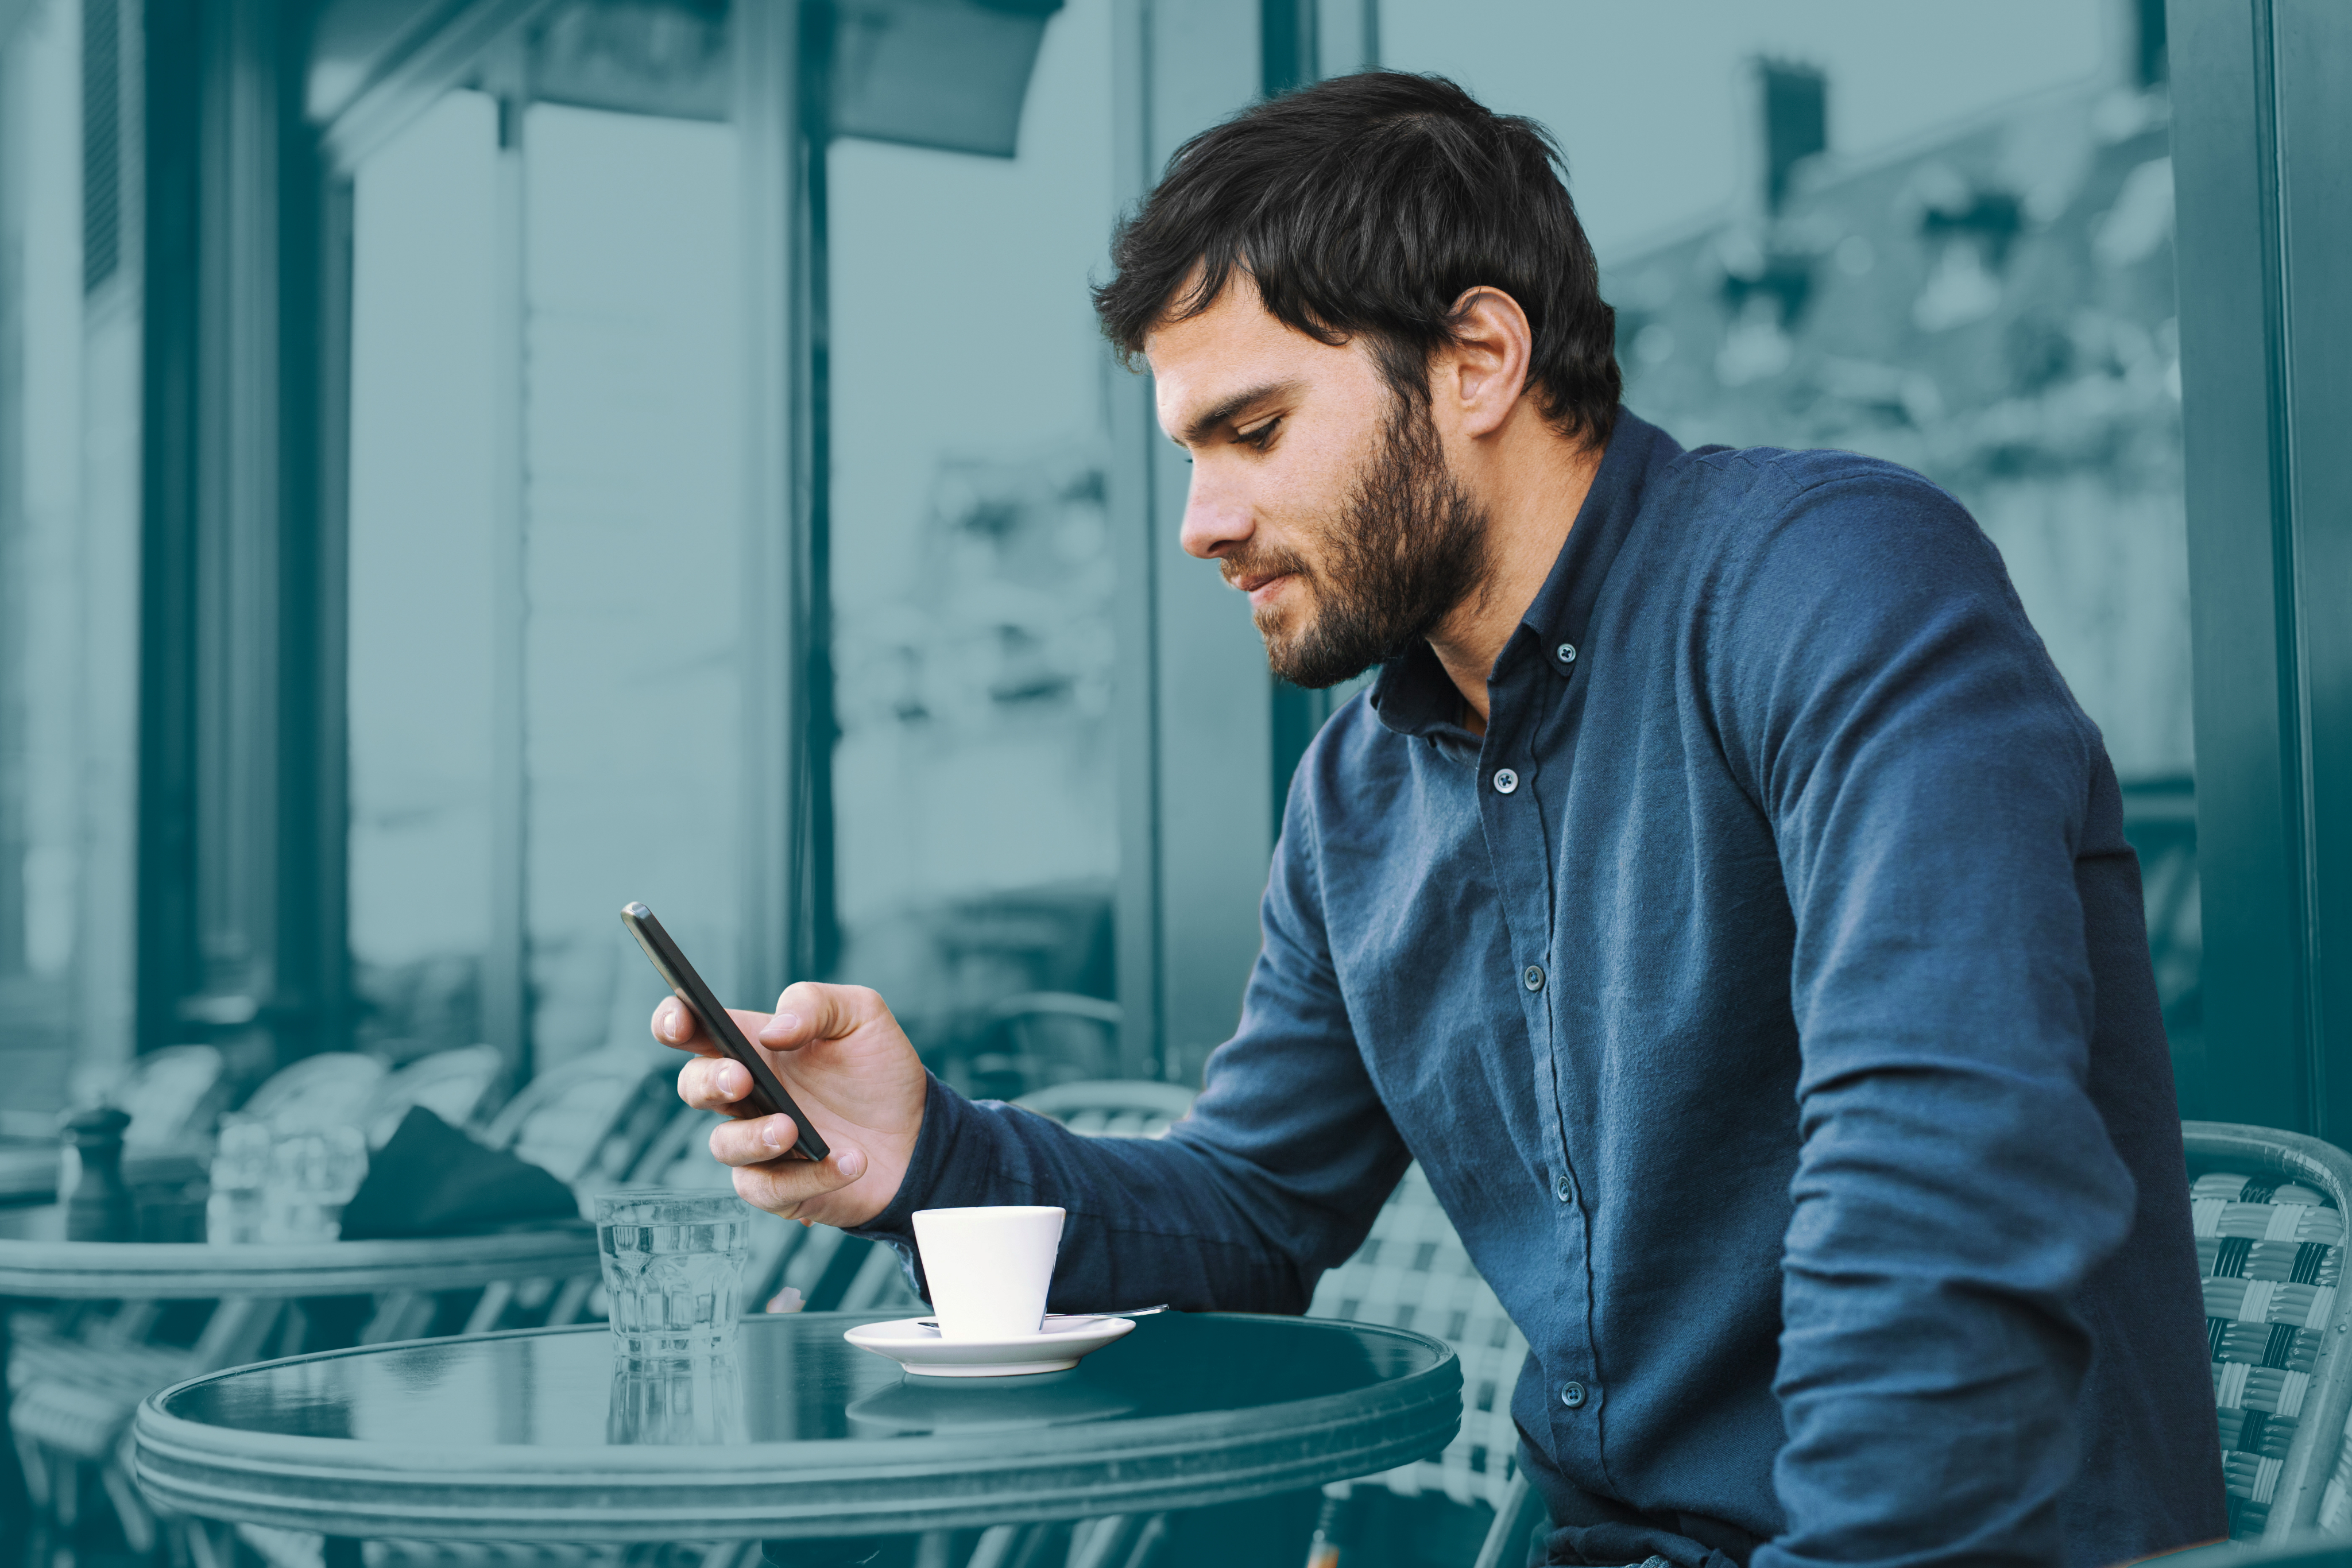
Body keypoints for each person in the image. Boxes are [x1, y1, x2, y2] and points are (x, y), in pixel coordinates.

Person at [656, 72, 2222, 1568]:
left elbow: (1944, 1176)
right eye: (1189, 453)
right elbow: (1254, 1210)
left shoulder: (1832, 584)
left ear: (1477, 359)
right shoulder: (1357, 795)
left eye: (1255, 431)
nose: (1201, 523)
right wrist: (923, 1155)